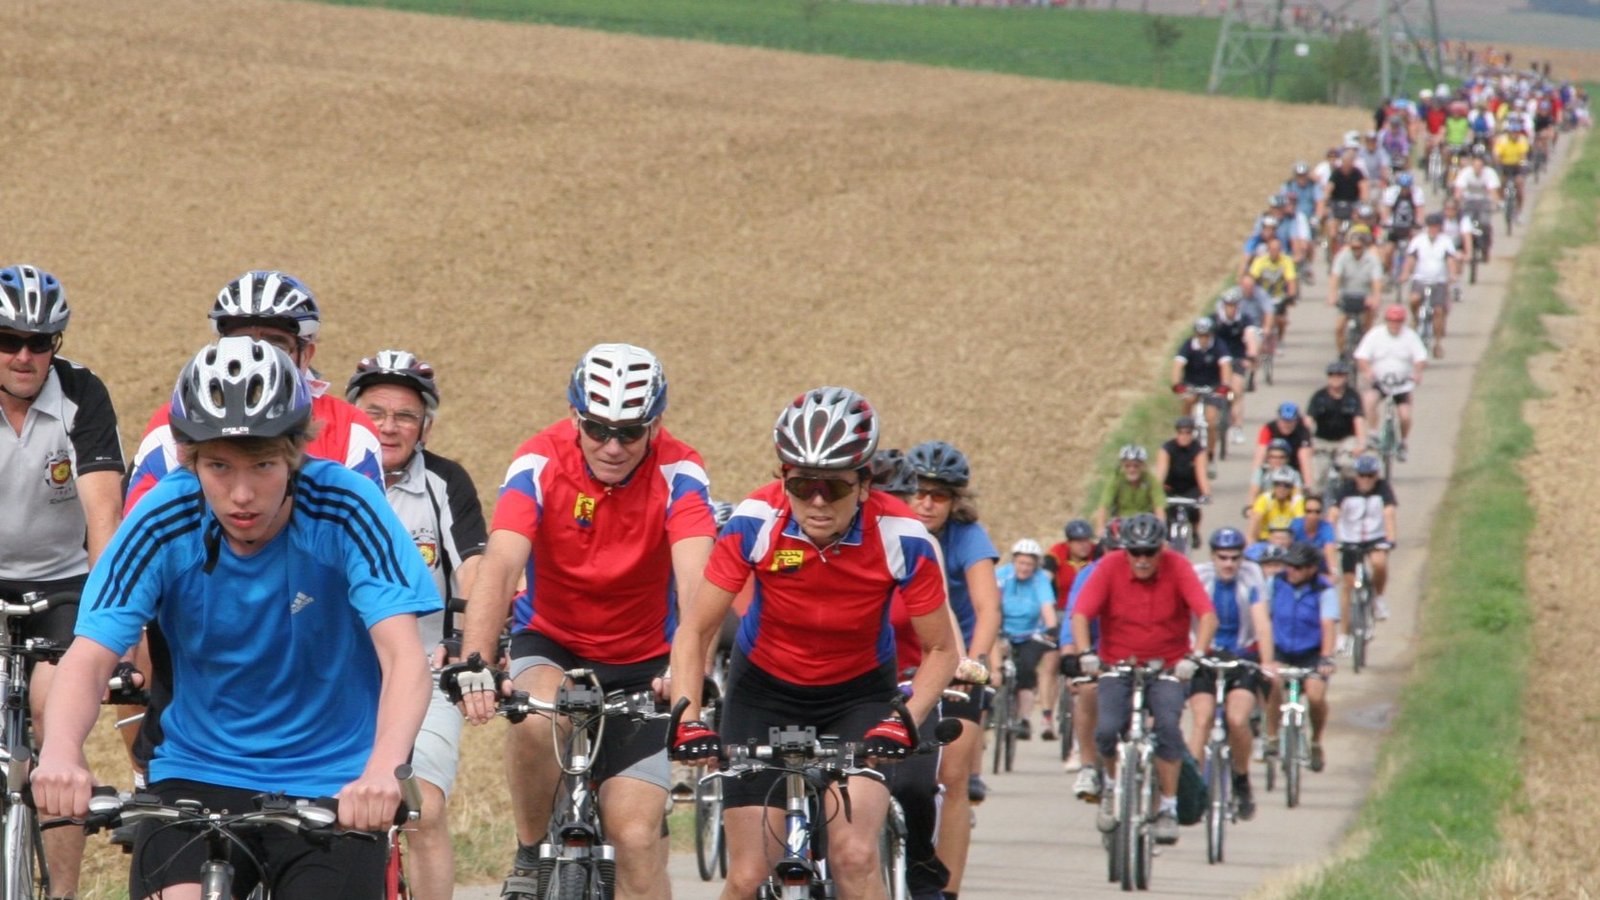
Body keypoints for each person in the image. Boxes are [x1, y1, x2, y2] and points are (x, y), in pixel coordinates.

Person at [34, 337, 438, 898]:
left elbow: (403, 657)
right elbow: (90, 655)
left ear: (295, 453)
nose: (242, 494)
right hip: (196, 771)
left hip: (334, 779)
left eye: (264, 465)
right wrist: (59, 754)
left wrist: (382, 770)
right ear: (189, 459)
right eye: (219, 466)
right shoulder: (164, 517)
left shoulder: (347, 508)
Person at [666, 387, 958, 900]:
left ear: (865, 483)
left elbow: (940, 650)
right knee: (748, 875)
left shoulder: (904, 536)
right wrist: (689, 721)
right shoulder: (755, 521)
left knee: (854, 858)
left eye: (835, 488)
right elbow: (696, 630)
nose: (818, 501)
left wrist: (902, 720)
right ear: (784, 479)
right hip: (761, 694)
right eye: (802, 485)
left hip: (859, 697)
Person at [453, 343, 715, 900]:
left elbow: (697, 584)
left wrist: (685, 669)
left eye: (630, 432)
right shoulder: (539, 460)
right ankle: (529, 852)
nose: (613, 447)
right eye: (597, 429)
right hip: (553, 642)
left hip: (644, 661)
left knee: (637, 838)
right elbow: (500, 566)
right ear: (575, 416)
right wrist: (475, 660)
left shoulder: (681, 469)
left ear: (657, 424)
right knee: (529, 722)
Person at [0, 265, 125, 899]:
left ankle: (62, 894)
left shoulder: (81, 394)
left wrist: (115, 621)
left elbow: (104, 516)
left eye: (40, 341)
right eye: (7, 338)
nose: (24, 355)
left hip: (64, 584)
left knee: (56, 729)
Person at [346, 350, 487, 900]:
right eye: (375, 411)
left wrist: (471, 647)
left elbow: (475, 568)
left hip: (427, 674)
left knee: (422, 810)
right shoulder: (324, 479)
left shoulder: (445, 483)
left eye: (404, 415)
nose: (388, 426)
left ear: (426, 424)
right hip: (339, 677)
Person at [123, 270, 380, 511]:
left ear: (306, 355)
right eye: (241, 340)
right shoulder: (173, 422)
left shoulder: (351, 429)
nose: (259, 355)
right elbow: (139, 526)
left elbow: (368, 536)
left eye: (276, 344)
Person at [1066, 514, 1216, 846]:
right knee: (1106, 730)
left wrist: (1196, 655)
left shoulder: (1178, 567)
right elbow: (1080, 614)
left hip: (1168, 666)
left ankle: (1167, 807)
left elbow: (1205, 614)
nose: (1143, 559)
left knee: (1167, 728)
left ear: (1161, 549)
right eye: (1136, 552)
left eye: (1150, 552)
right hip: (1117, 664)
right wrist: (1084, 652)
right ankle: (1111, 787)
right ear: (1126, 550)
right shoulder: (1109, 567)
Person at [904, 439, 998, 896]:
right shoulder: (893, 527)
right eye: (918, 491)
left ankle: (948, 889)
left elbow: (987, 609)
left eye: (938, 495)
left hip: (956, 661)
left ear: (954, 501)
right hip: (904, 659)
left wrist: (972, 662)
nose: (926, 502)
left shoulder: (967, 537)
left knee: (953, 775)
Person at [1187, 527, 1274, 821]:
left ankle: (1241, 778)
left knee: (1237, 719)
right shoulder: (1199, 576)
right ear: (1212, 556)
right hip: (1205, 656)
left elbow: (1262, 623)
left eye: (1235, 558)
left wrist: (1268, 661)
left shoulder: (1252, 576)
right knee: (1202, 719)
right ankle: (1192, 787)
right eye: (1222, 557)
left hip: (1242, 656)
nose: (1229, 564)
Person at [1263, 543, 1338, 774]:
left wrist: (1325, 658)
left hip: (1311, 653)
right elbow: (1264, 617)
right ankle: (1272, 737)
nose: (1291, 571)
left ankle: (1315, 741)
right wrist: (1265, 656)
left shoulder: (1324, 590)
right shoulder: (1275, 584)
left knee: (1316, 696)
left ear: (1312, 569)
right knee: (1274, 683)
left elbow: (1328, 625)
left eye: (1298, 567)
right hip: (1281, 650)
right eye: (1289, 566)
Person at [1327, 454, 1398, 653]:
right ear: (1356, 475)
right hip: (1350, 540)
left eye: (1370, 475)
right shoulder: (1346, 489)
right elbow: (1333, 514)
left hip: (1375, 538)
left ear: (1376, 475)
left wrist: (1390, 539)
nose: (1366, 479)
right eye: (1362, 475)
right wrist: (1331, 539)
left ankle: (1378, 598)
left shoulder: (1383, 488)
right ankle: (1343, 634)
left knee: (1379, 563)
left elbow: (1389, 513)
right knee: (1348, 587)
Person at [997, 539, 1058, 740]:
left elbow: (1047, 607)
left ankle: (1023, 719)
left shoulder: (1040, 580)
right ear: (1014, 561)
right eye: (1021, 563)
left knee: (1026, 671)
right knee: (993, 668)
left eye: (1029, 564)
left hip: (1030, 633)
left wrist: (1051, 627)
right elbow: (991, 602)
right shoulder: (1002, 575)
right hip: (1003, 630)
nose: (1024, 568)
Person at [1354, 305, 1429, 461]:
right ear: (1386, 321)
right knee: (1368, 401)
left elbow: (1420, 357)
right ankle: (1373, 433)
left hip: (1402, 385)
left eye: (1398, 321)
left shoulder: (1410, 337)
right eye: (1392, 321)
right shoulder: (1375, 335)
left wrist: (1417, 373)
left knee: (1405, 415)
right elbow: (1362, 356)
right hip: (1380, 382)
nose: (1395, 325)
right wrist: (1368, 371)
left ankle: (1403, 442)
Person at [1398, 212, 1462, 357]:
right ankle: (1415, 319)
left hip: (1438, 281)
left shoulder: (1445, 241)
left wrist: (1452, 274)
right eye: (1430, 226)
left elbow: (1450, 260)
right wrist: (1406, 273)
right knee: (1414, 300)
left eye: (1436, 227)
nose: (1433, 229)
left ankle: (1437, 343)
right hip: (1420, 279)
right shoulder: (1418, 240)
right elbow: (1411, 259)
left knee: (1439, 311)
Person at [1172, 317, 1233, 460]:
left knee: (1211, 421)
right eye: (1200, 335)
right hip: (1192, 384)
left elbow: (1226, 366)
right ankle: (1184, 431)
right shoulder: (1188, 345)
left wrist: (1225, 385)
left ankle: (1210, 453)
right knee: (1188, 402)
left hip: (1213, 386)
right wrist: (1177, 385)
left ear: (1211, 334)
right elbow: (1177, 365)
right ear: (1195, 335)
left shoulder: (1219, 345)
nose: (1203, 339)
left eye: (1206, 335)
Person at [1306, 360, 1367, 495]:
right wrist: (1307, 442)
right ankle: (1316, 505)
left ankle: (1351, 497)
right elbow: (1308, 421)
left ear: (1345, 377)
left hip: (1345, 440)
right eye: (1332, 375)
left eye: (1340, 375)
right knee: (1317, 475)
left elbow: (1359, 420)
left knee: (1349, 466)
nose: (1336, 378)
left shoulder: (1353, 396)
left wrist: (1361, 444)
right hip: (1322, 440)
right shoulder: (1319, 397)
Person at [1327, 231, 1385, 358]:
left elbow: (1376, 282)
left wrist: (1376, 298)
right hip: (1347, 295)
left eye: (1358, 248)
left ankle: (1366, 351)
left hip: (1365, 296)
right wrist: (1333, 294)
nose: (1355, 251)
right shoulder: (1342, 257)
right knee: (1339, 327)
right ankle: (1341, 353)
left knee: (1368, 325)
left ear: (1364, 247)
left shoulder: (1372, 259)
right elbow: (1335, 277)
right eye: (1353, 248)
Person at [1155, 416, 1210, 548]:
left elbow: (1202, 474)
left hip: (1190, 487)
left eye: (1188, 433)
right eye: (1181, 433)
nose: (1184, 436)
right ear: (1176, 433)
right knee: (1165, 512)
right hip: (1170, 487)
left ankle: (1195, 532)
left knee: (1193, 510)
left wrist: (1206, 494)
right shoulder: (1167, 448)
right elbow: (1161, 473)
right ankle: (1164, 538)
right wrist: (1155, 491)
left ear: (1192, 433)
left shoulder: (1198, 450)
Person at [1094, 443, 1166, 538]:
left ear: (1143, 466)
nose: (1131, 469)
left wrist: (1161, 528)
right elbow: (1104, 505)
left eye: (1136, 466)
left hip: (1146, 524)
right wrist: (1100, 527)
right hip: (1122, 525)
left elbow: (1159, 506)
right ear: (1122, 465)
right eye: (1127, 466)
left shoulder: (1151, 480)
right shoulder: (1116, 479)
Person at [1453, 152, 1502, 262]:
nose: (1477, 169)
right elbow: (1458, 190)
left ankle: (1486, 248)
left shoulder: (1490, 173)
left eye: (1479, 167)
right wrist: (1457, 200)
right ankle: (1463, 245)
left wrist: (1495, 204)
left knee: (1485, 223)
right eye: (1475, 166)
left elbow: (1493, 192)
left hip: (1484, 201)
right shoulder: (1465, 173)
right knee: (1464, 223)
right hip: (1468, 202)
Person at [1252, 401, 1315, 487]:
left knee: (1304, 455)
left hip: (1295, 463)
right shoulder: (1268, 428)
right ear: (1278, 419)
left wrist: (1308, 486)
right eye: (1284, 420)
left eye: (1290, 421)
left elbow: (1305, 457)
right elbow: (1260, 454)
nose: (1287, 425)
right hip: (1272, 464)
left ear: (1296, 421)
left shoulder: (1303, 431)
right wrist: (1255, 480)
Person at [1380, 172, 1425, 277]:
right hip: (1395, 225)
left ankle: (1414, 270)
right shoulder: (1391, 192)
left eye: (1407, 187)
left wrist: (1419, 223)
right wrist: (1385, 221)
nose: (1405, 190)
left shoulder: (1417, 193)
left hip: (1410, 225)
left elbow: (1420, 210)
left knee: (1416, 249)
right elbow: (1386, 210)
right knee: (1387, 250)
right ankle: (1387, 271)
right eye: (1403, 187)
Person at [1247, 467, 1305, 543]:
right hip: (1266, 540)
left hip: (1288, 540)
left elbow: (1300, 524)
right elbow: (1255, 521)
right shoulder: (1265, 498)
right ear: (1273, 485)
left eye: (1286, 485)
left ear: (1292, 487)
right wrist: (1251, 542)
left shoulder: (1297, 500)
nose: (1281, 488)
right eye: (1277, 484)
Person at [1289, 495, 1340, 576]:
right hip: (1297, 569)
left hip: (1319, 570)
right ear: (1304, 512)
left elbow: (1329, 550)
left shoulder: (1326, 528)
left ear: (1322, 513)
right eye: (1309, 511)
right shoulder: (1295, 526)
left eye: (1317, 512)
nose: (1313, 515)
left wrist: (1334, 573)